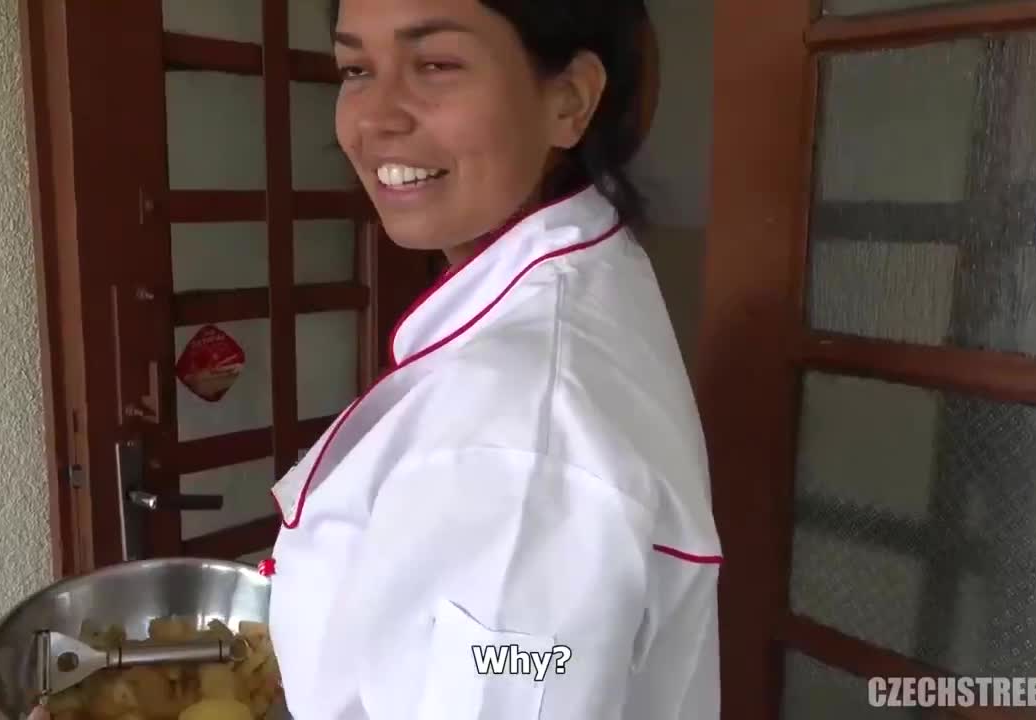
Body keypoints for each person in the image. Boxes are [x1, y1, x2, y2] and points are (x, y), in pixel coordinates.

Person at [267, 0, 721, 718]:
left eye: (435, 64)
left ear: (568, 101)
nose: (374, 117)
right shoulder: (587, 264)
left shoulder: (519, 440)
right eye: (356, 69)